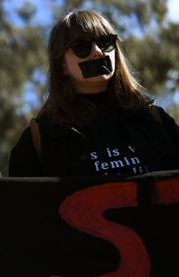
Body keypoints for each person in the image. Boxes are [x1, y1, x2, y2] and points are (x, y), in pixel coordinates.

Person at [9, 10, 179, 177]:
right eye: (81, 47)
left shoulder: (154, 119)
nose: (97, 52)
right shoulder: (40, 138)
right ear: (62, 65)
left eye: (105, 42)